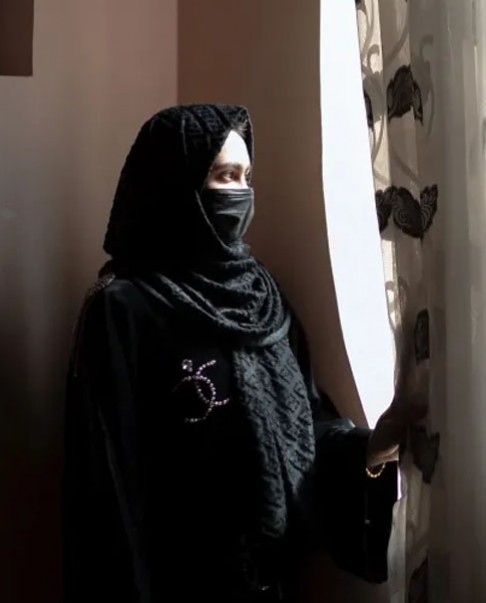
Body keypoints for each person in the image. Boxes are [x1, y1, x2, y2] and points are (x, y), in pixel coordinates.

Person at [62, 104, 423, 602]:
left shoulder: (260, 295)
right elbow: (108, 484)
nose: (241, 192)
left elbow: (306, 423)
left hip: (271, 587)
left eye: (246, 176)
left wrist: (369, 449)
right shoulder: (122, 308)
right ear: (176, 183)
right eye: (224, 175)